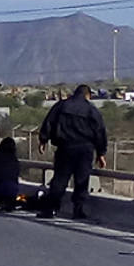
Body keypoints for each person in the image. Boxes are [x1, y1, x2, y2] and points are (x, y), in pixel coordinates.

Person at [36, 84, 108, 220]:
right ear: (88, 95)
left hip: (65, 148)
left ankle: (51, 209)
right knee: (82, 180)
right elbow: (100, 132)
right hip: (85, 150)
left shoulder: (61, 106)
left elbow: (49, 122)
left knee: (60, 179)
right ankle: (78, 210)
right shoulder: (91, 110)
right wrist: (101, 153)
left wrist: (43, 140)